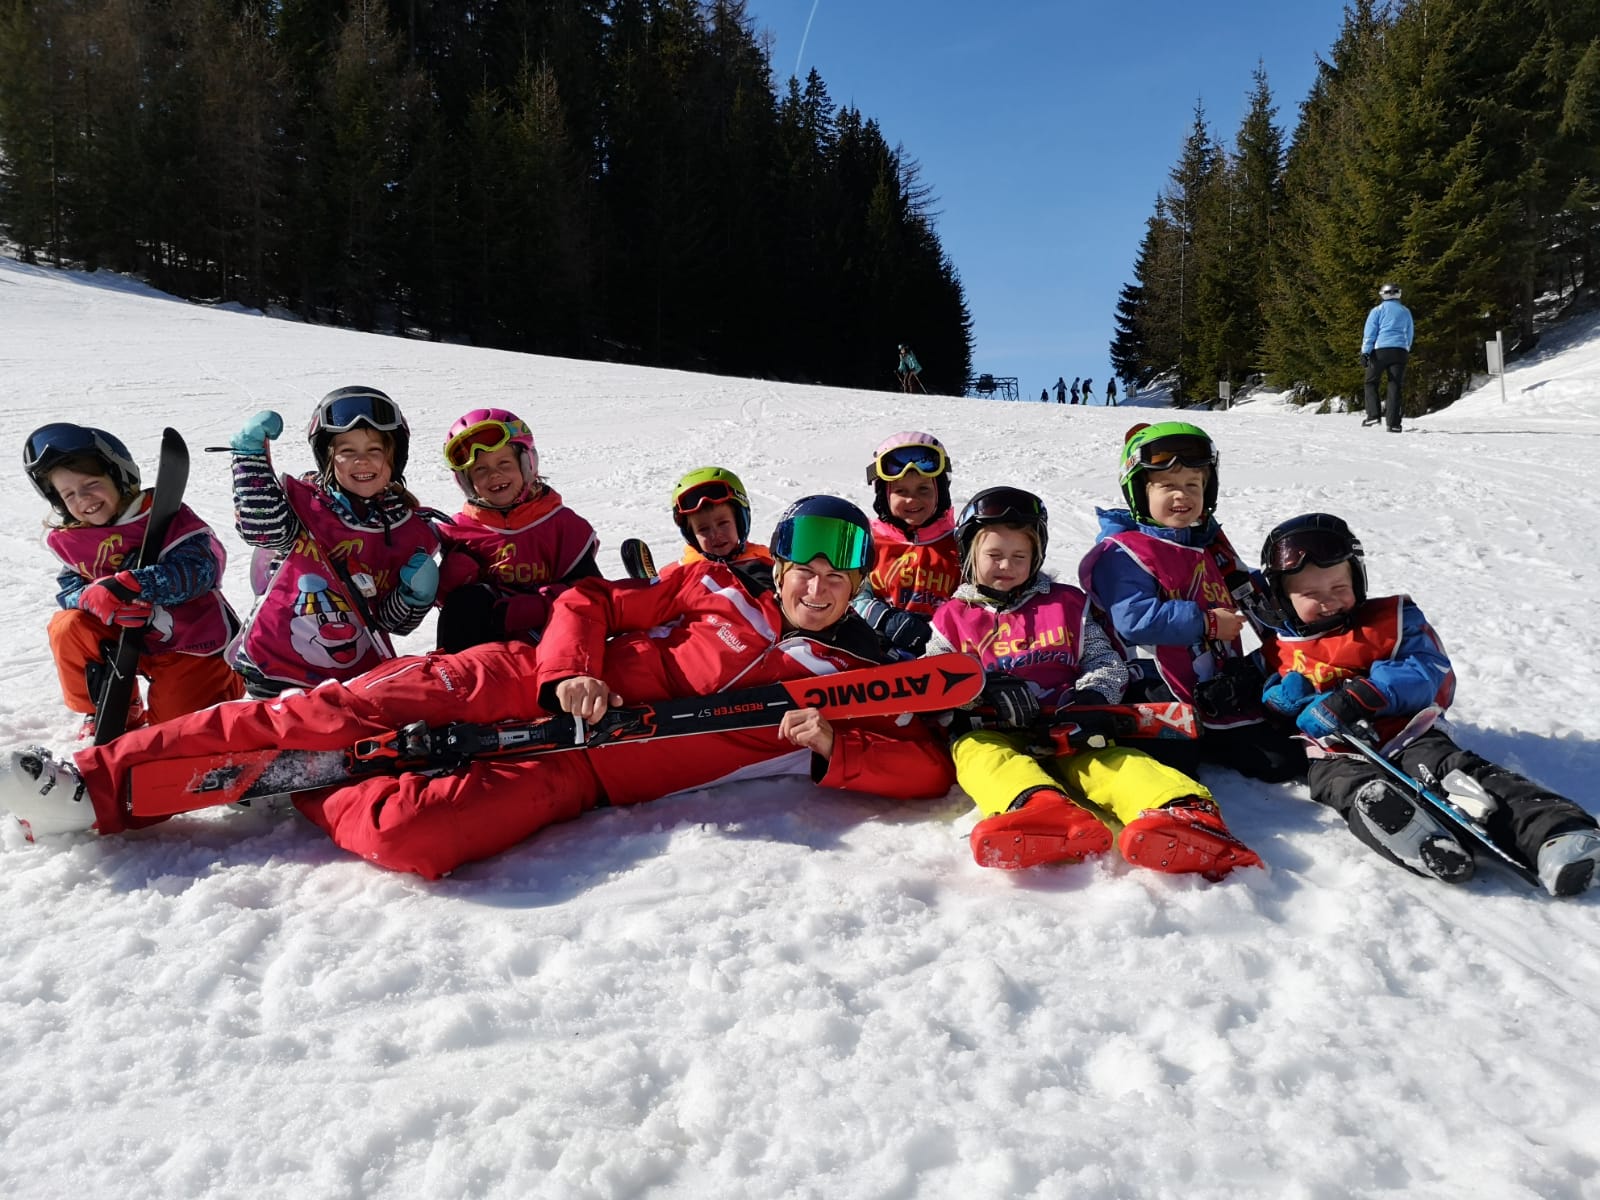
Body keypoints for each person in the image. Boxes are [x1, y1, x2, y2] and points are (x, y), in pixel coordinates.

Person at [0, 497, 959, 878]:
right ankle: (95, 788)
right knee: (334, 708)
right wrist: (571, 669)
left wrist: (836, 747)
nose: (817, 585)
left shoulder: (844, 680)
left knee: (415, 838)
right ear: (778, 563)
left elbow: (922, 768)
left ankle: (317, 782)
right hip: (520, 682)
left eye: (839, 573)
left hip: (585, 773)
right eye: (804, 565)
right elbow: (588, 598)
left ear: (857, 584)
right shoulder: (712, 586)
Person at [1254, 513, 1600, 897]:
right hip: (1334, 754)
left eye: (1339, 586)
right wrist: (1279, 701)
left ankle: (1558, 833)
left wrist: (1358, 696)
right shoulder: (1278, 648)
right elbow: (1261, 696)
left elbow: (1427, 670)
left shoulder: (1389, 624)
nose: (1329, 600)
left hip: (1407, 734)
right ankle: (1417, 838)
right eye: (1311, 594)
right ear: (1283, 598)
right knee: (1344, 788)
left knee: (1453, 773)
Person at [926, 487, 1260, 878]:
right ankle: (1039, 810)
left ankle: (1182, 809)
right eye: (994, 555)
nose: (1007, 566)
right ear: (970, 553)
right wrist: (980, 689)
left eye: (1020, 556)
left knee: (1110, 762)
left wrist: (1089, 698)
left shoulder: (1065, 604)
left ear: (1037, 556)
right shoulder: (952, 618)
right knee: (977, 755)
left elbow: (1106, 662)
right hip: (993, 728)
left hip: (1069, 726)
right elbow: (932, 684)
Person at [1080, 422, 1305, 782]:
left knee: (1281, 760)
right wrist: (1207, 623)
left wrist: (1295, 590)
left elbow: (1244, 587)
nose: (1181, 496)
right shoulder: (1123, 553)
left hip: (1213, 685)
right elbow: (1133, 619)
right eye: (1167, 486)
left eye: (1192, 485)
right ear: (1139, 492)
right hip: (1153, 685)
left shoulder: (1205, 544)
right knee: (1176, 761)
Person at [23, 423, 243, 739]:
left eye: (91, 484)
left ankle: (226, 684)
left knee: (177, 733)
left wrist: (138, 584)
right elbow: (69, 589)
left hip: (189, 644)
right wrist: (90, 597)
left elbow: (202, 570)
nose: (83, 499)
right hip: (129, 639)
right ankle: (111, 708)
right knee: (68, 626)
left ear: (119, 476)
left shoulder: (164, 516)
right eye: (69, 494)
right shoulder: (77, 539)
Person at [227, 386, 440, 697]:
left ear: (395, 458)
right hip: (276, 671)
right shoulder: (307, 509)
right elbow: (263, 528)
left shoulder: (406, 529)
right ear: (328, 458)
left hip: (351, 681)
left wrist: (413, 598)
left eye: (374, 450)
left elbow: (389, 621)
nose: (362, 461)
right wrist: (249, 459)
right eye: (347, 451)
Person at [433, 408, 599, 652]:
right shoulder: (460, 531)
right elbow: (445, 606)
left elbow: (593, 593)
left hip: (554, 646)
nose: (494, 475)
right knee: (466, 601)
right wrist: (449, 580)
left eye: (504, 463)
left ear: (526, 465)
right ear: (467, 481)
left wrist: (537, 607)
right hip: (486, 656)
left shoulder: (561, 525)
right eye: (480, 470)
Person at [853, 432, 961, 657]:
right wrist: (884, 618)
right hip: (878, 651)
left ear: (940, 491)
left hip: (943, 652)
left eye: (923, 489)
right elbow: (850, 594)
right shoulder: (868, 543)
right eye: (901, 491)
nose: (912, 499)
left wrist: (946, 626)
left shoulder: (960, 545)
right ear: (884, 496)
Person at [658, 466, 773, 578]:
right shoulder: (680, 575)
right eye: (703, 529)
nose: (715, 535)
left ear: (740, 522)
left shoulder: (767, 561)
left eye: (723, 523)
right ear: (691, 535)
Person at [1362, 282, 1413, 432]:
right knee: (1395, 385)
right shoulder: (1405, 311)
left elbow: (1370, 333)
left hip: (1380, 351)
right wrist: (1406, 348)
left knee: (1371, 382)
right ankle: (1393, 424)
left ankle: (1373, 416)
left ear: (1383, 294)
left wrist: (1365, 352)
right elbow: (1409, 332)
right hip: (1400, 351)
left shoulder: (1377, 310)